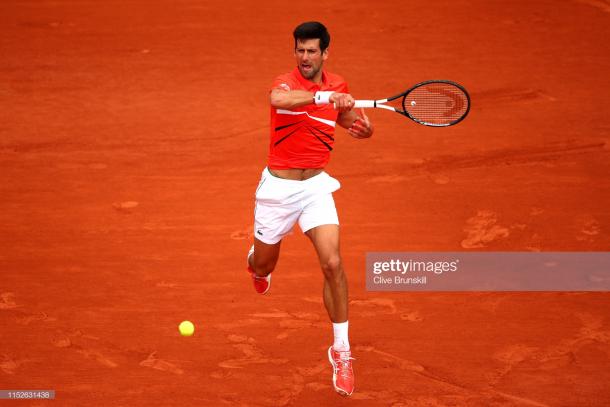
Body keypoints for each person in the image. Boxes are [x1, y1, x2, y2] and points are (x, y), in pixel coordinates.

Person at [246, 21, 373, 396]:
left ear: (325, 53)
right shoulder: (285, 84)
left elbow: (351, 122)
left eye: (311, 51)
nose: (304, 57)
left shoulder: (339, 86)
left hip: (316, 186)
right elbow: (278, 101)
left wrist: (362, 126)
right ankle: (256, 260)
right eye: (300, 50)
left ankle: (341, 350)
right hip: (278, 191)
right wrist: (322, 98)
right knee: (263, 266)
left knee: (332, 262)